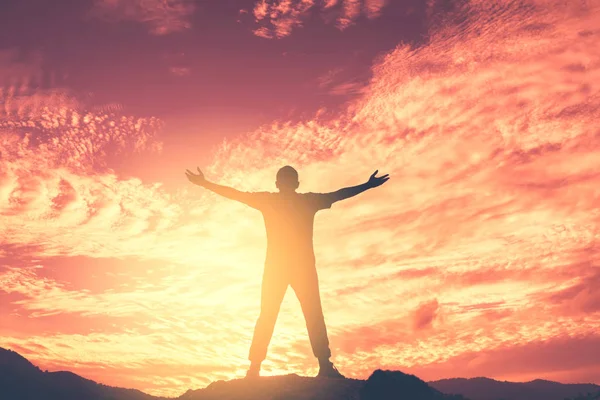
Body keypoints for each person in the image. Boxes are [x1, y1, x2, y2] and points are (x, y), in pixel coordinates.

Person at [185, 165, 389, 379]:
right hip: (299, 268)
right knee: (310, 314)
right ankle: (322, 365)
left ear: (277, 184)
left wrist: (205, 184)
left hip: (278, 268)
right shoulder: (307, 201)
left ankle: (255, 368)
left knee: (270, 315)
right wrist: (367, 185)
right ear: (296, 184)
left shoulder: (269, 200)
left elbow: (235, 194)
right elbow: (338, 195)